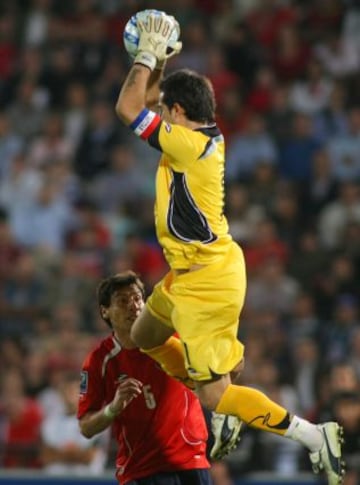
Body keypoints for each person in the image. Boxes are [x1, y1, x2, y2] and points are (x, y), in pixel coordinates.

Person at [115, 11, 345, 485]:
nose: (160, 112)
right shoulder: (197, 133)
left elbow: (128, 107)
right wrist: (162, 60)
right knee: (144, 335)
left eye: (166, 109)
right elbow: (152, 96)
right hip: (192, 272)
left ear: (178, 114)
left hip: (207, 282)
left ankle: (312, 434)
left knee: (216, 394)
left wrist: (144, 54)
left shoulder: (186, 145)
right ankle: (215, 399)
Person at [78, 270, 230, 485]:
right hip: (142, 470)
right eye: (122, 301)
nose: (134, 306)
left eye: (138, 298)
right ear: (105, 312)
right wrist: (113, 407)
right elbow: (86, 427)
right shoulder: (99, 361)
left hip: (192, 462)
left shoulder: (175, 337)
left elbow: (217, 368)